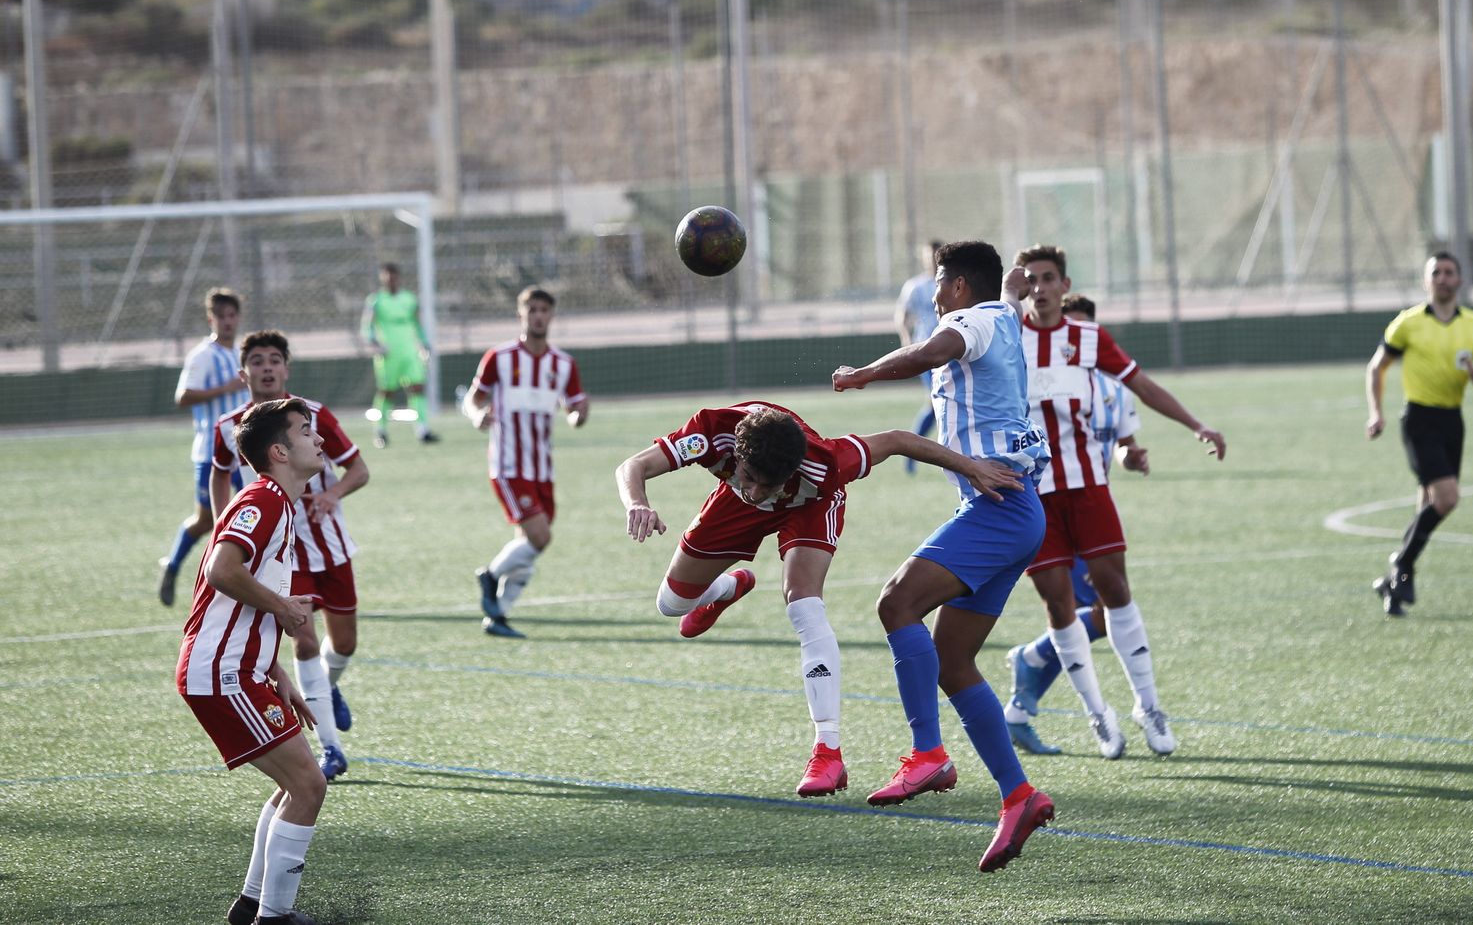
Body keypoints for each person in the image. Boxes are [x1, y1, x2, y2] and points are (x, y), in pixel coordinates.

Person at [615, 401, 1024, 801]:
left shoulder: (827, 463)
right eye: (750, 476)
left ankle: (827, 752)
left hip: (809, 505)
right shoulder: (710, 432)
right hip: (731, 505)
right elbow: (632, 466)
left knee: (803, 604)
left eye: (768, 484)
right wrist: (638, 503)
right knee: (670, 604)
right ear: (737, 454)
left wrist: (971, 468)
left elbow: (899, 440)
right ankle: (727, 587)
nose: (757, 492)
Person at [832, 239, 1056, 873]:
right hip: (1013, 508)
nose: (931, 295)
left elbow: (930, 352)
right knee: (953, 660)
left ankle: (927, 754)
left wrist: (861, 374)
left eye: (937, 283)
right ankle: (1019, 797)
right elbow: (1007, 294)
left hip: (997, 509)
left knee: (895, 602)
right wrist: (1010, 281)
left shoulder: (968, 321)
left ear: (958, 287)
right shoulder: (1004, 313)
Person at [1000, 245, 1225, 761]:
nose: (1039, 286)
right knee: (1059, 603)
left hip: (1087, 486)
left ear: (1064, 284)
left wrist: (1197, 425)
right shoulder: (1007, 339)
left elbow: (1141, 385)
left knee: (1113, 590)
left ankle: (1148, 706)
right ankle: (1097, 712)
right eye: (1030, 278)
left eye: (1048, 277)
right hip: (1032, 494)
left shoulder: (1087, 338)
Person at [176, 396, 328, 925]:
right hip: (223, 673)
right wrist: (286, 607)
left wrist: (277, 671)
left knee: (297, 784)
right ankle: (274, 917)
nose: (321, 438)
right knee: (309, 785)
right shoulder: (262, 502)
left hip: (242, 669)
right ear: (280, 451)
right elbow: (221, 571)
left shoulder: (279, 506)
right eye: (307, 431)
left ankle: (252, 908)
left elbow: (235, 604)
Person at [212, 331, 371, 783]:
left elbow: (358, 469)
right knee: (303, 638)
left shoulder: (314, 415)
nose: (267, 367)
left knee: (344, 644)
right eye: (257, 360)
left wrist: (333, 494)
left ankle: (327, 686)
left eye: (275, 360)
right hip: (281, 553)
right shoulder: (229, 426)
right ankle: (332, 750)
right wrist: (227, 520)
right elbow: (219, 476)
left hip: (330, 545)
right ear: (243, 372)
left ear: (286, 369)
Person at [1002, 291, 1148, 756]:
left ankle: (1022, 699)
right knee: (1089, 612)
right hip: (1052, 505)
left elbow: (1122, 445)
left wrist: (1130, 456)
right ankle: (1029, 667)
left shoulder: (1112, 390)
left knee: (1102, 613)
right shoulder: (1040, 384)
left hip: (1091, 503)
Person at [1365, 250, 1473, 616]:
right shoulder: (1408, 323)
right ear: (1426, 281)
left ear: (1459, 280)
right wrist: (1376, 412)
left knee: (1428, 504)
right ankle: (1403, 565)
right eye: (1435, 272)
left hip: (1452, 421)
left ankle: (1392, 586)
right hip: (1419, 420)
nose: (1442, 278)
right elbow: (1377, 367)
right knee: (1448, 498)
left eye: (1449, 272)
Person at [463, 287, 588, 639]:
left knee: (530, 545)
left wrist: (579, 415)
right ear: (521, 315)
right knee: (539, 535)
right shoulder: (499, 357)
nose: (537, 315)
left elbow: (575, 410)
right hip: (508, 465)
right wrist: (476, 415)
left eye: (544, 310)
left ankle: (498, 615)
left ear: (551, 316)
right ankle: (488, 576)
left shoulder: (563, 364)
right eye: (531, 309)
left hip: (542, 468)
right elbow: (475, 399)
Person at [160, 287, 250, 607]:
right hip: (210, 452)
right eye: (221, 316)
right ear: (210, 319)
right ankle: (172, 565)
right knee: (207, 521)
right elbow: (182, 397)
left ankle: (248, 588)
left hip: (245, 454)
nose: (227, 322)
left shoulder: (243, 352)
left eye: (232, 315)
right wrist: (225, 388)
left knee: (252, 517)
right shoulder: (202, 355)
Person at [361, 262, 437, 447]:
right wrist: (375, 343)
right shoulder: (376, 300)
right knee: (387, 393)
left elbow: (418, 325)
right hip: (388, 355)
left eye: (393, 275)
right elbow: (366, 327)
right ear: (382, 277)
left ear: (398, 277)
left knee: (417, 388)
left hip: (410, 353)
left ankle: (422, 430)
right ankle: (380, 431)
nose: (390, 279)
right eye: (386, 275)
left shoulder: (409, 299)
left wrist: (425, 344)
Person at [893, 240, 943, 471]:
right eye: (928, 255)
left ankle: (914, 452)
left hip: (951, 351)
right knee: (936, 403)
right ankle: (912, 453)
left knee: (941, 405)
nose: (932, 259)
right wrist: (906, 339)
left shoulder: (953, 282)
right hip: (926, 353)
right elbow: (902, 315)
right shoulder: (916, 286)